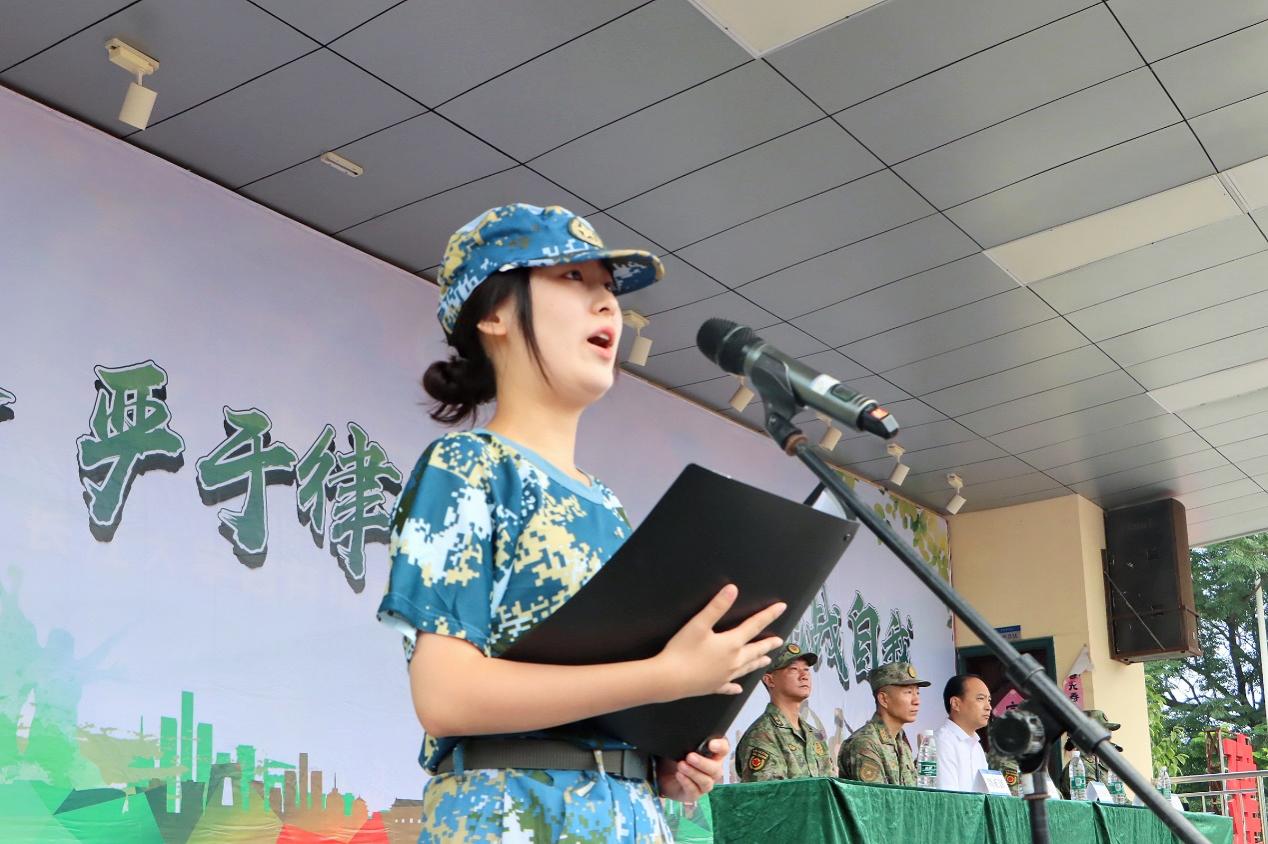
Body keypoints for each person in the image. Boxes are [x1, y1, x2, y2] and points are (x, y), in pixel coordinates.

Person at [376, 203, 787, 843]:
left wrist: (666, 763)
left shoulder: (606, 506)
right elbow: (445, 696)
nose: (607, 306)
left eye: (609, 289)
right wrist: (664, 677)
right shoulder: (468, 466)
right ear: (493, 314)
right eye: (573, 278)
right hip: (509, 818)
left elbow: (603, 697)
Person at [735, 643, 833, 781]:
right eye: (793, 669)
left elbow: (830, 786)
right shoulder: (762, 735)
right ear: (769, 680)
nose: (804, 676)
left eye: (806, 669)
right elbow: (770, 792)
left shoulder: (815, 735)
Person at [838, 661, 930, 785]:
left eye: (917, 693)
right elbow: (876, 796)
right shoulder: (865, 744)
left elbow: (914, 791)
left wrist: (924, 758)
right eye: (908, 692)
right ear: (884, 699)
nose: (916, 701)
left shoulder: (901, 742)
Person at [933, 674, 990, 791]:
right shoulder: (942, 742)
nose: (988, 707)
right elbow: (948, 796)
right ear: (955, 704)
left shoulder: (976, 746)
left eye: (989, 700)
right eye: (980, 699)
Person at [1059, 710, 1122, 798]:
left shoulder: (1103, 766)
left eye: (1109, 730)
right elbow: (1092, 801)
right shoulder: (1079, 766)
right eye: (1103, 730)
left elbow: (1121, 799)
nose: (1108, 735)